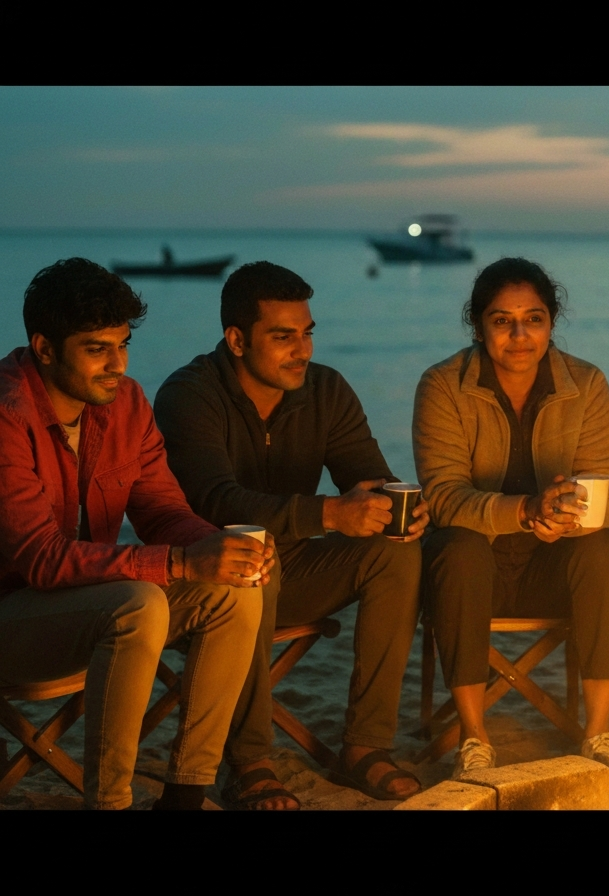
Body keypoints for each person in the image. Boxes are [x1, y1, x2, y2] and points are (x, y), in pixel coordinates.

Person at [154, 261, 427, 809]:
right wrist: (330, 515)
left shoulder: (324, 389)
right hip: (207, 586)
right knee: (255, 557)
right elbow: (216, 502)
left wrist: (401, 509)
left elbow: (367, 478)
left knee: (394, 553)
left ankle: (365, 747)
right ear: (236, 339)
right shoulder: (190, 395)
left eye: (306, 334)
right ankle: (251, 761)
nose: (302, 350)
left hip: (297, 574)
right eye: (282, 337)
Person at [0, 258, 266, 810]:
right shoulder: (7, 415)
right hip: (11, 616)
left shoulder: (125, 404)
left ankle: (186, 792)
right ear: (44, 348)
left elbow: (163, 511)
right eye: (97, 349)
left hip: (82, 606)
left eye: (123, 345)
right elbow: (41, 560)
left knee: (235, 589)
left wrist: (218, 550)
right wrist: (180, 565)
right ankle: (111, 803)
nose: (116, 365)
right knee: (139, 603)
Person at [414, 257, 609, 777]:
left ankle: (598, 729)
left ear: (551, 323)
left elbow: (608, 489)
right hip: (472, 569)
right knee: (458, 547)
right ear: (478, 325)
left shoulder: (586, 384)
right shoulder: (443, 385)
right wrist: (526, 510)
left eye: (533, 319)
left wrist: (565, 513)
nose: (519, 335)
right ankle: (473, 734)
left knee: (604, 549)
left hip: (551, 565)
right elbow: (442, 496)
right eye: (501, 320)